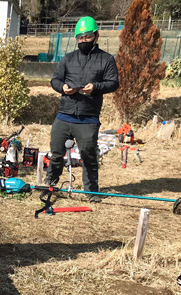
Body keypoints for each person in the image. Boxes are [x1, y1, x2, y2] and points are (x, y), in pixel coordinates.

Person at [46, 16, 119, 201]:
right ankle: (50, 184)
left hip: (88, 118)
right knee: (55, 153)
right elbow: (55, 79)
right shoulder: (68, 59)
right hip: (65, 115)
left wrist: (95, 87)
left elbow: (113, 83)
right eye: (80, 37)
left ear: (96, 36)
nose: (83, 41)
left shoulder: (106, 59)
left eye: (87, 37)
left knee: (89, 157)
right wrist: (62, 87)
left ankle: (92, 193)